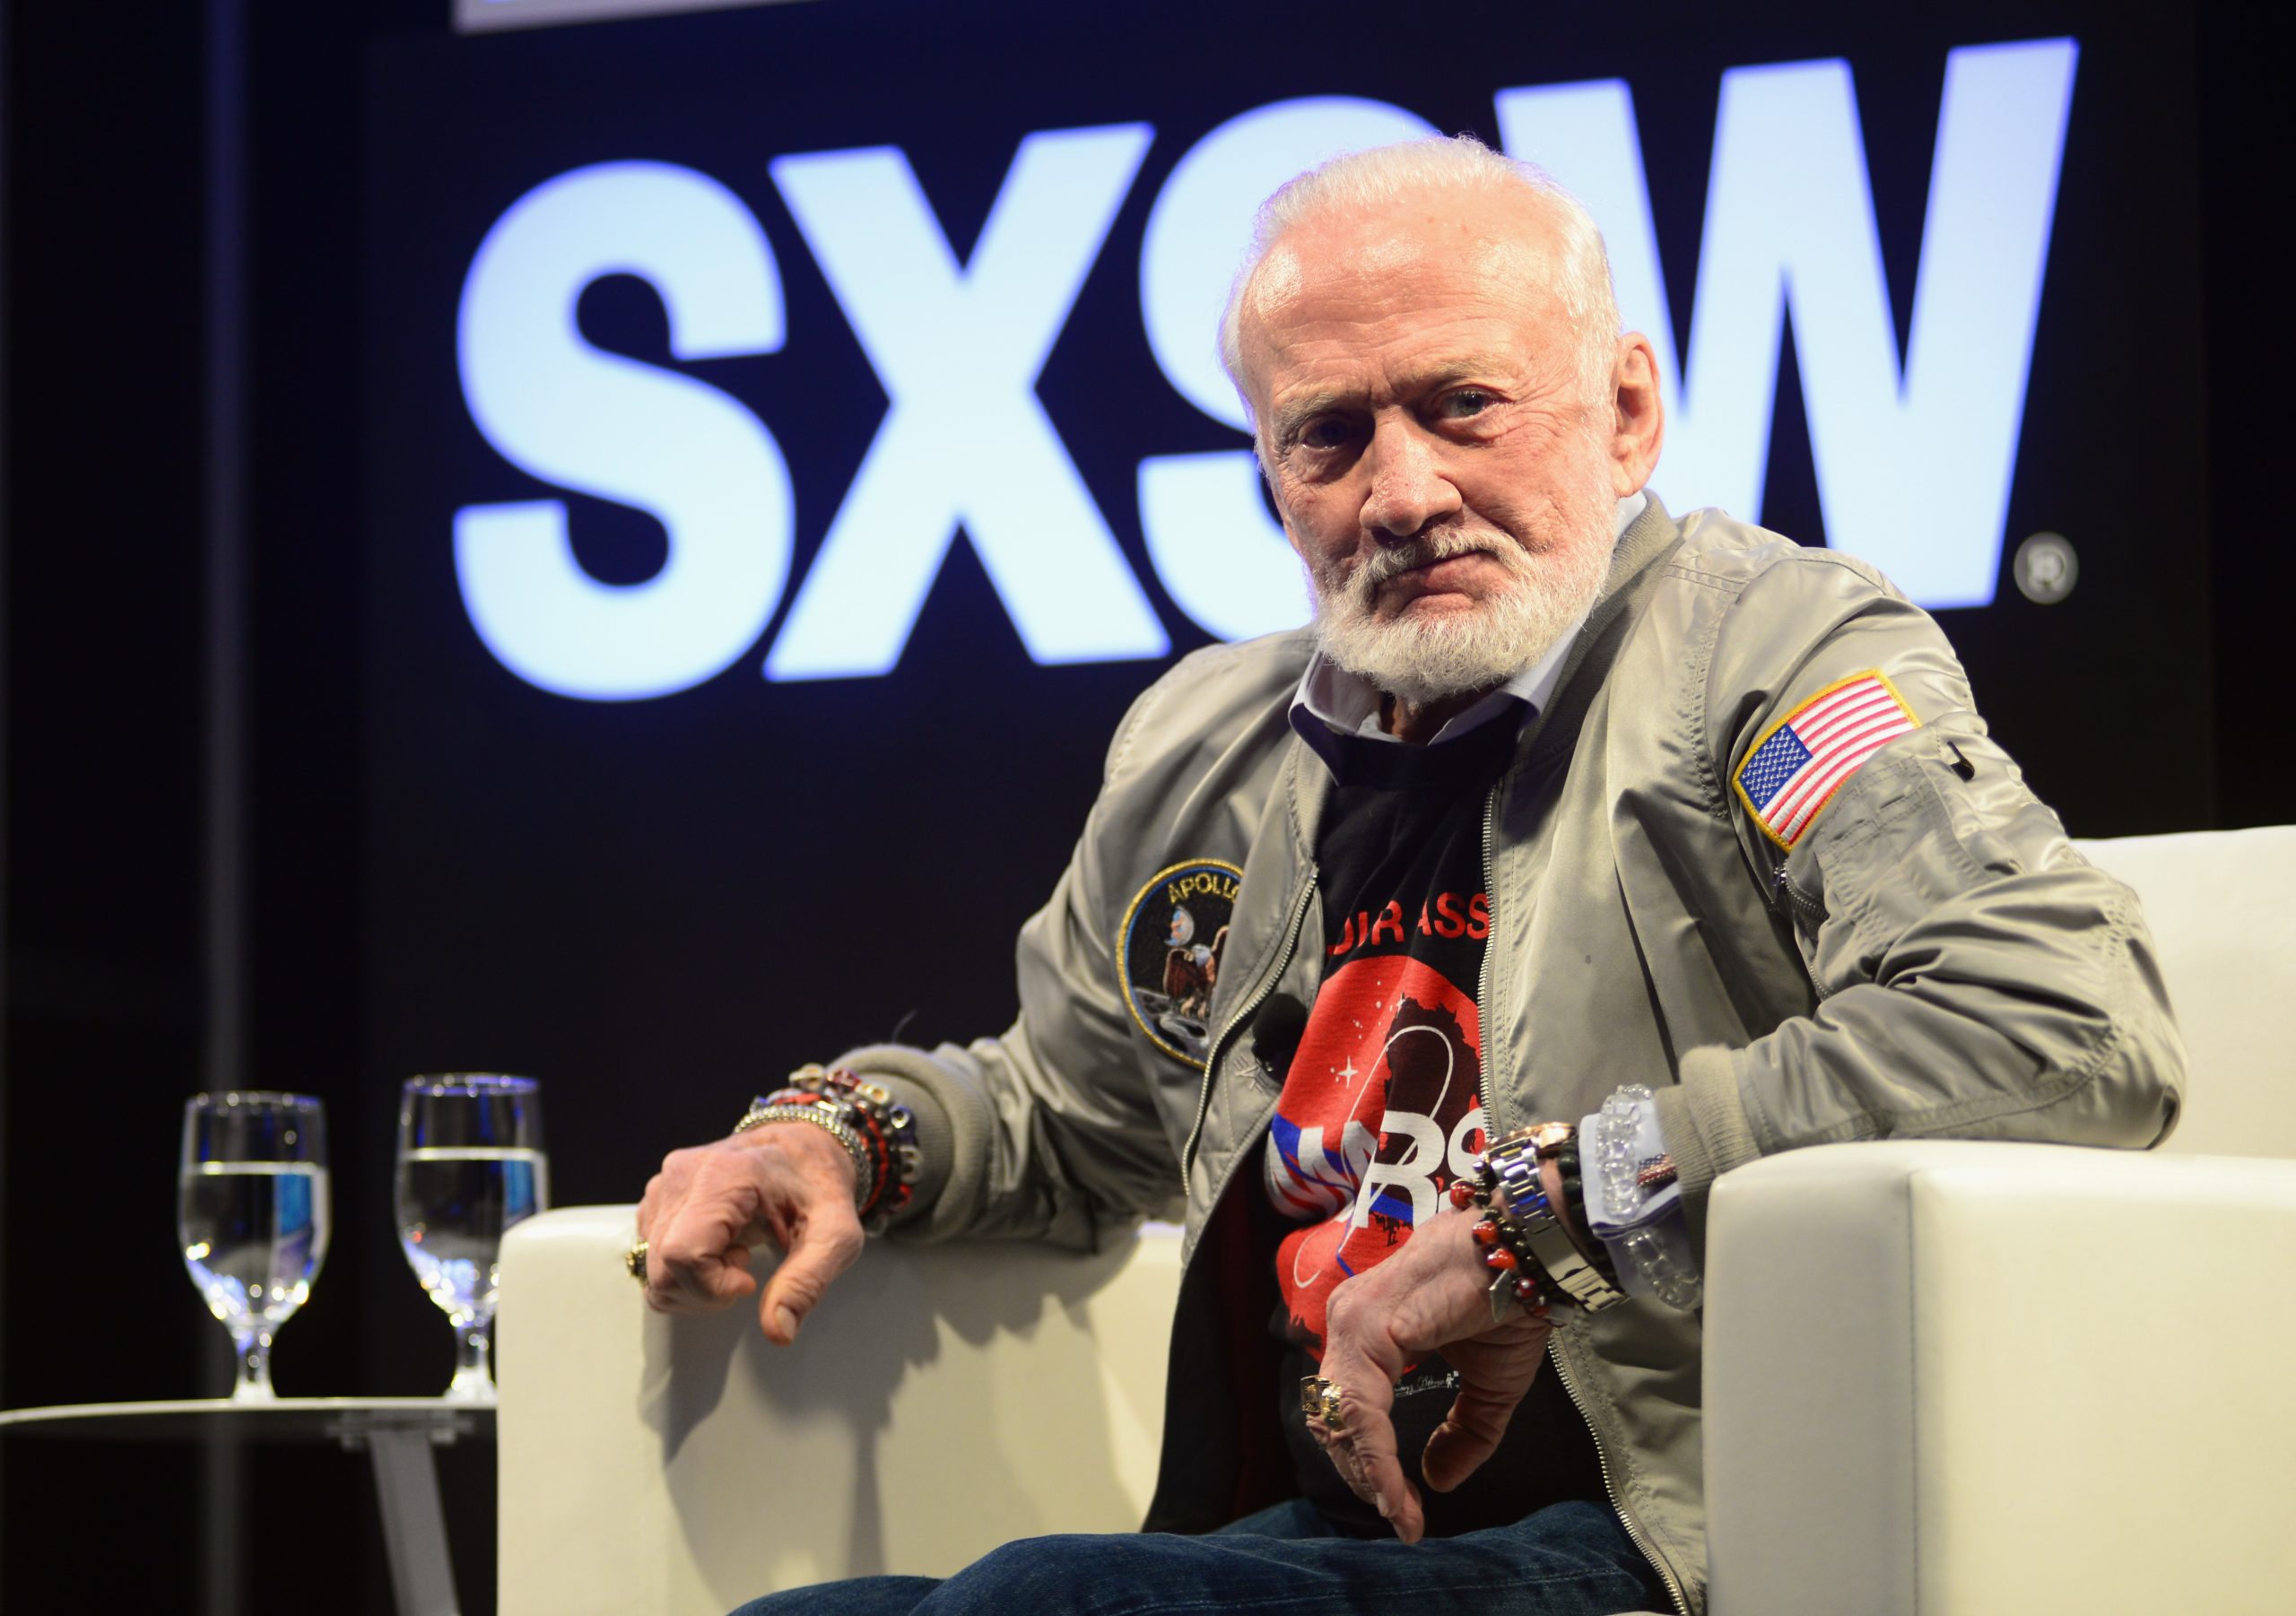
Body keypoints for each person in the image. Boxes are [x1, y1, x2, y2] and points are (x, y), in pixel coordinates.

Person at [632, 135, 2181, 1616]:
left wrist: (1549, 1216)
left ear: (1627, 411)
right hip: (1305, 1529)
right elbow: (1068, 1112)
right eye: (1331, 433)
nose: (1402, 492)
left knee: (1054, 1599)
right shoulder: (1203, 743)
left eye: (1462, 404)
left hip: (1654, 1530)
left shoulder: (1769, 649)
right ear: (1270, 475)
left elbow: (2054, 1017)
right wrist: (848, 1136)